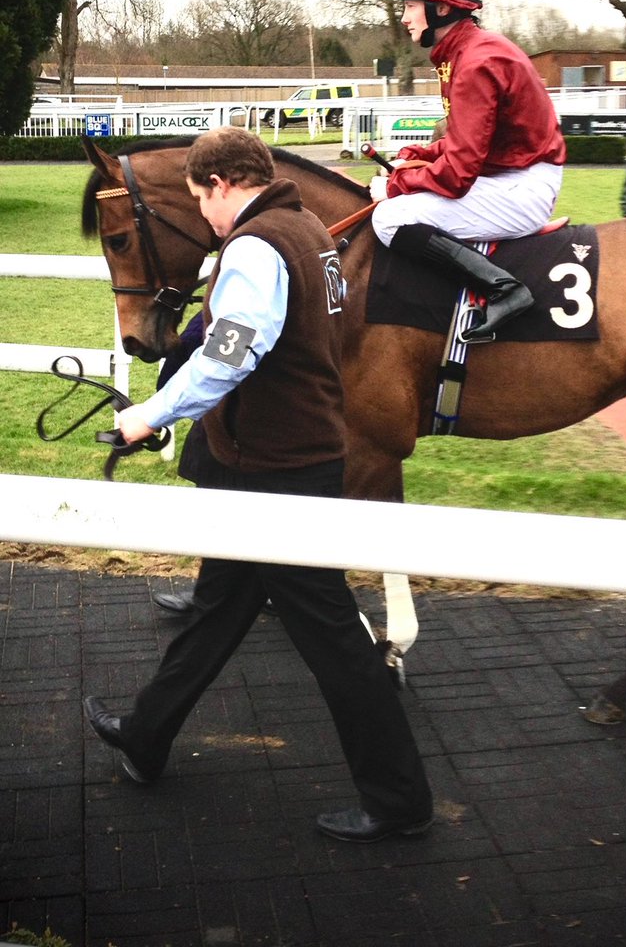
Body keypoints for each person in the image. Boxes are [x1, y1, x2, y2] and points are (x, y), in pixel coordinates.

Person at [83, 127, 433, 844]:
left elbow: (227, 357)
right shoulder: (308, 226)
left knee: (333, 637)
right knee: (217, 606)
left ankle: (399, 799)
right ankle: (147, 735)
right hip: (289, 454)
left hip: (276, 467)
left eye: (199, 201)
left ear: (217, 185)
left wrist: (147, 416)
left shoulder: (253, 246)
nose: (206, 221)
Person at [370, 0, 566, 342]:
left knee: (389, 218)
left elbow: (459, 173)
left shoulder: (475, 62)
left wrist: (395, 185)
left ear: (441, 8)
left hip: (521, 186)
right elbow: (467, 143)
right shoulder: (465, 52)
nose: (404, 16)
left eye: (410, 4)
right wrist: (417, 157)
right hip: (511, 174)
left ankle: (504, 289)